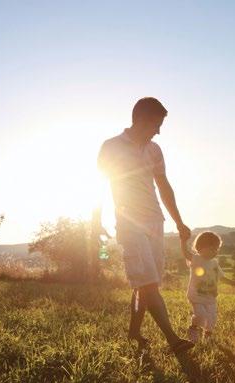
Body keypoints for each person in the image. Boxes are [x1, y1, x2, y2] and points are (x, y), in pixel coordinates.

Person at [97, 97, 194, 354]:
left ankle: (133, 334)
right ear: (142, 119)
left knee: (146, 283)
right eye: (157, 124)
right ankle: (173, 340)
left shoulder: (154, 150)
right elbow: (97, 186)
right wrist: (95, 221)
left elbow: (164, 186)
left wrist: (179, 221)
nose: (159, 130)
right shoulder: (111, 147)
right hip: (129, 223)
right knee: (148, 283)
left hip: (155, 221)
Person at [180, 231, 235, 343]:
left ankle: (208, 335)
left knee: (212, 319)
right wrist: (183, 241)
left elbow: (221, 277)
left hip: (210, 298)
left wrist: (232, 282)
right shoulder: (196, 259)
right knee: (200, 315)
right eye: (212, 249)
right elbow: (186, 253)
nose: (215, 252)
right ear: (201, 247)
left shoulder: (214, 263)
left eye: (216, 249)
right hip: (196, 295)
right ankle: (193, 328)